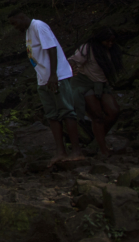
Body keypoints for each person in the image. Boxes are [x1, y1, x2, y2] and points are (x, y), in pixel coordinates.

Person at [8, 11, 84, 164]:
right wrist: (43, 79)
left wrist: (54, 75)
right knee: (52, 115)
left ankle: (76, 151)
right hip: (44, 80)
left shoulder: (39, 26)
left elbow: (52, 48)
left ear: (21, 17)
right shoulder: (28, 31)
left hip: (57, 77)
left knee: (67, 111)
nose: (14, 27)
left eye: (14, 23)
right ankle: (60, 151)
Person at [69, 27, 123, 157]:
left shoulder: (111, 51)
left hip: (101, 84)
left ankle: (98, 139)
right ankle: (103, 149)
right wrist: (70, 69)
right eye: (107, 41)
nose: (110, 44)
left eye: (112, 42)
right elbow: (73, 60)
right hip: (84, 83)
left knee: (113, 111)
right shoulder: (87, 49)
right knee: (97, 116)